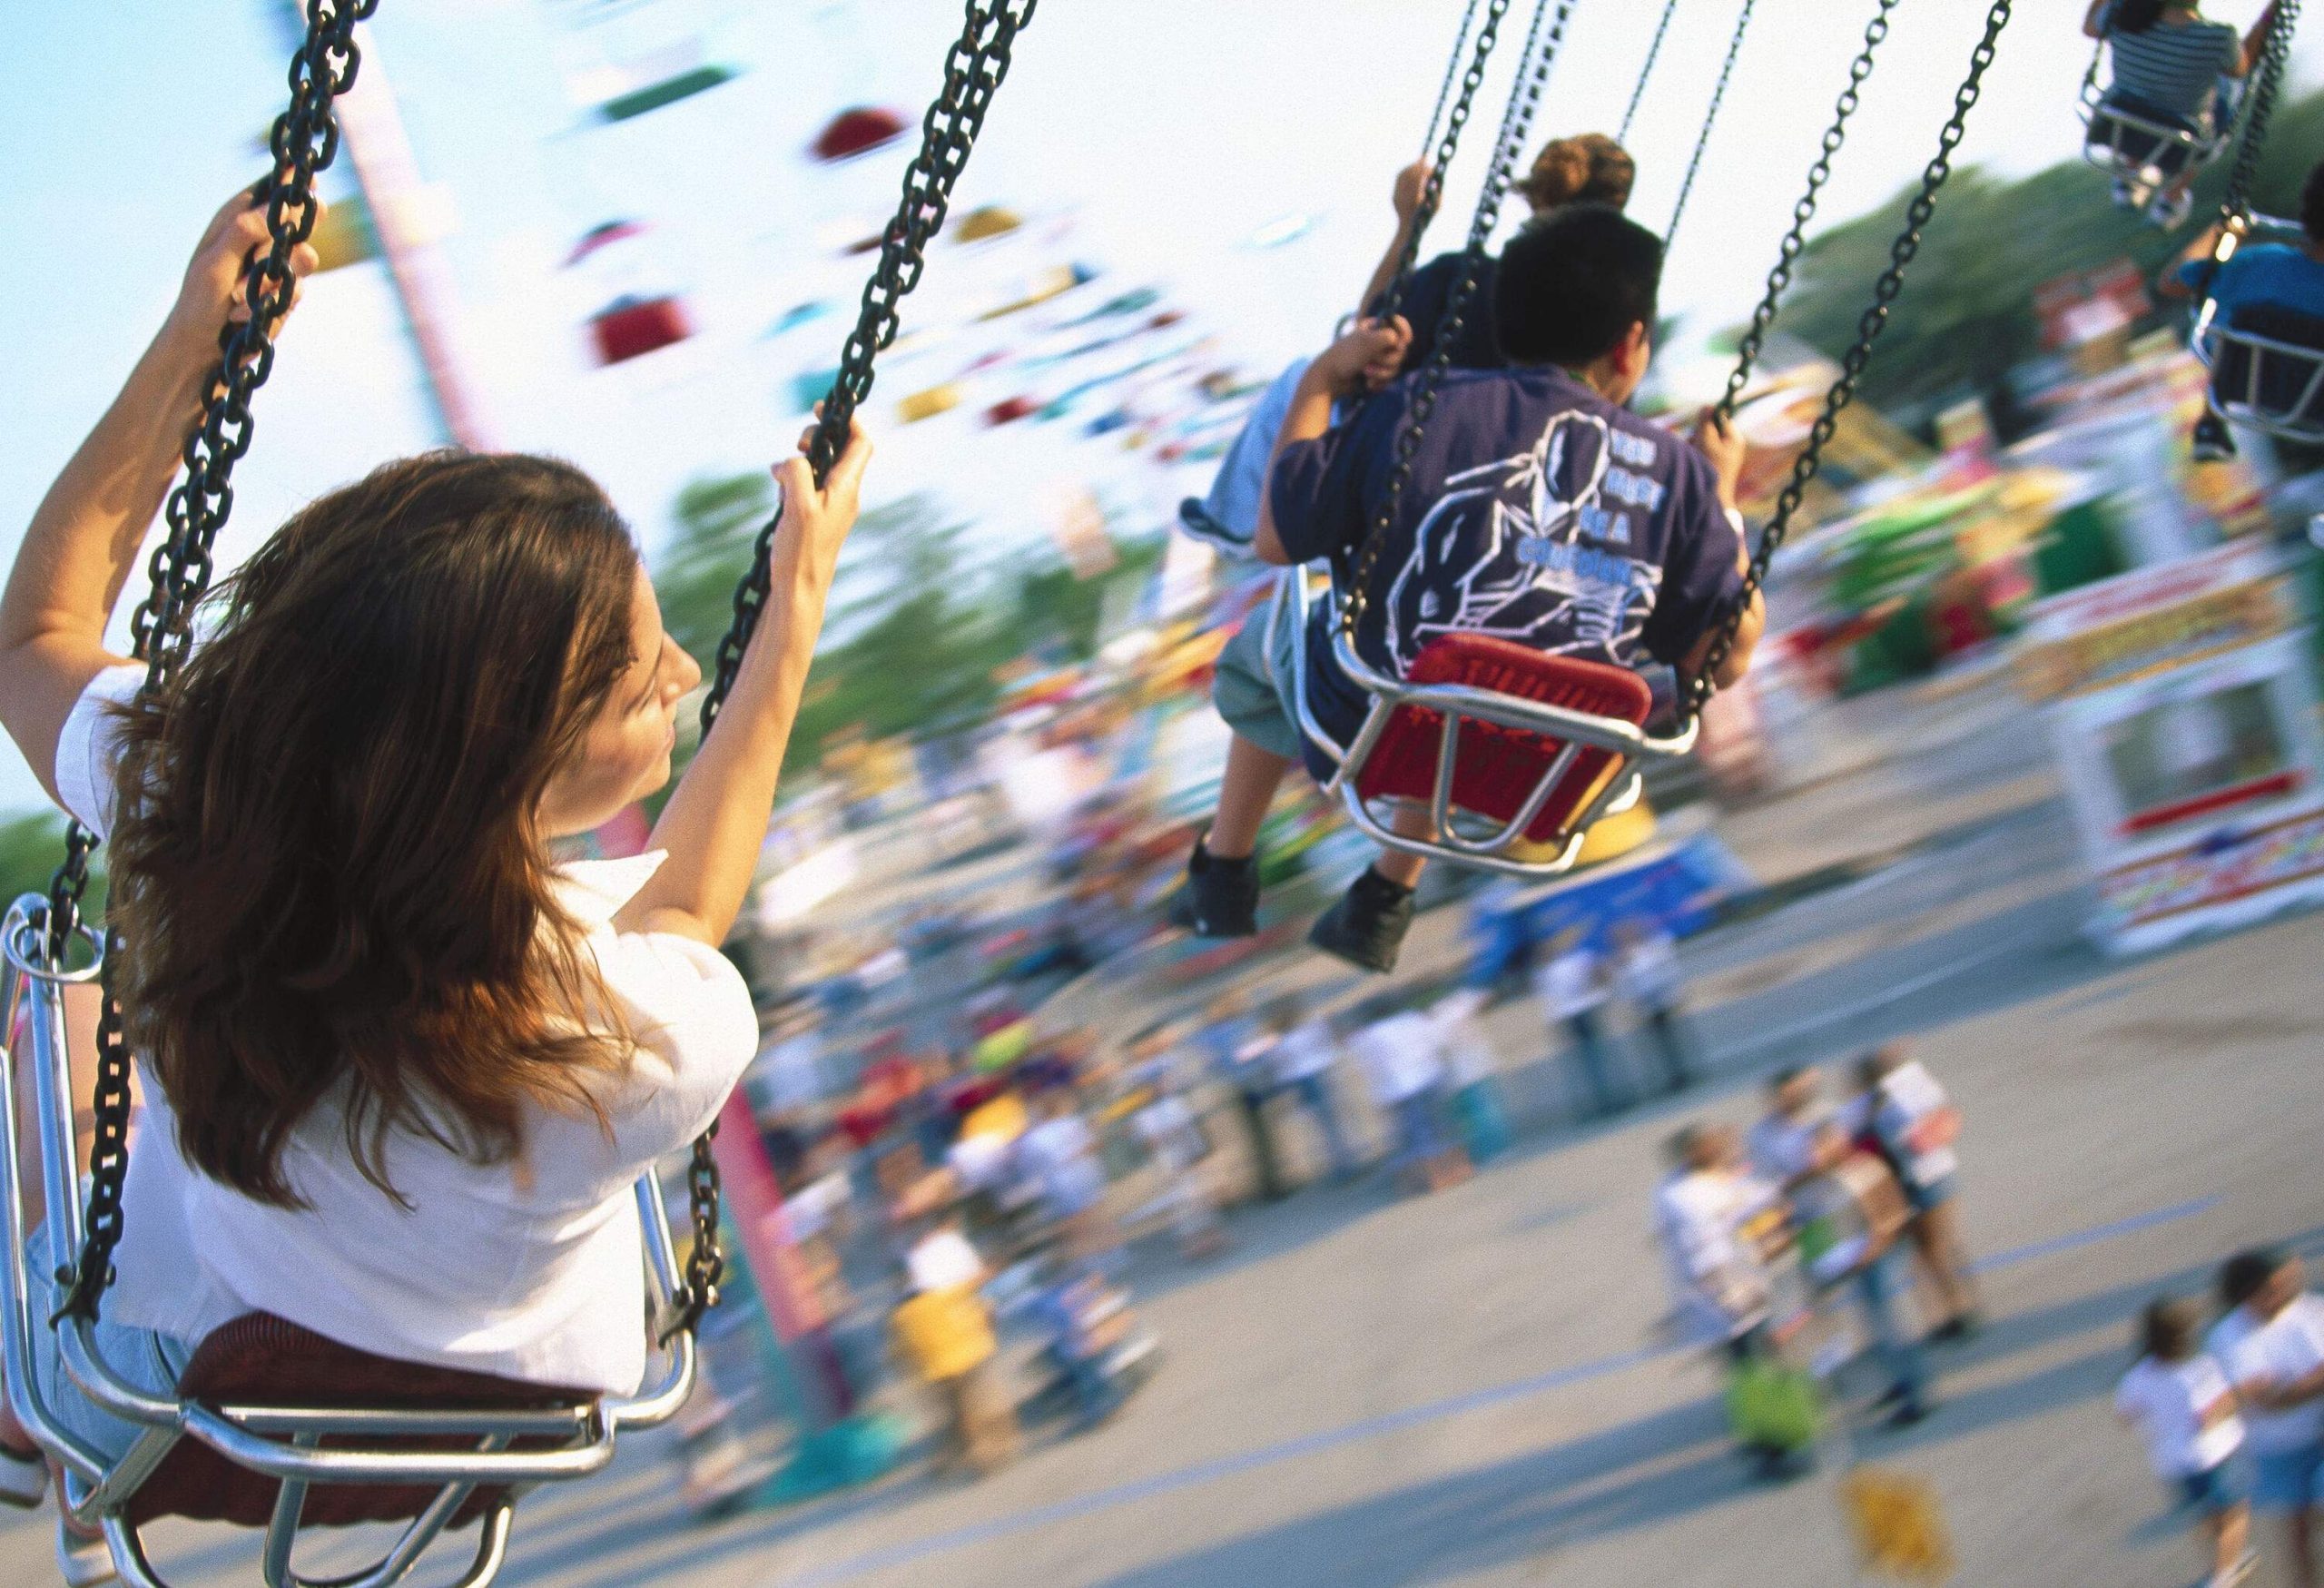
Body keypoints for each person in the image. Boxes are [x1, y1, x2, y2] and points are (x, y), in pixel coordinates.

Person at [0, 192, 870, 1580]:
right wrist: (795, 618)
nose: (689, 679)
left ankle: (19, 1398)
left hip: (205, 1380)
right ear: (506, 759)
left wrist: (188, 350)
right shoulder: (609, 1041)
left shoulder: (209, 800)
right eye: (648, 680)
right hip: (480, 1415)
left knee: (61, 1072)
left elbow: (39, 635)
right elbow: (690, 914)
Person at [1171, 204, 1762, 973]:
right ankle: (1383, 896)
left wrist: (1322, 376)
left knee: (1281, 648)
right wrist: (1722, 500)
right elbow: (1728, 660)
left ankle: (1225, 868)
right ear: (1631, 343)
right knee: (1471, 665)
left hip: (1377, 726)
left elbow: (1276, 538)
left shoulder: (1408, 419)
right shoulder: (1674, 472)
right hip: (1567, 761)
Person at [1177, 133, 1636, 558]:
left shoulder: (1462, 280)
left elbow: (1368, 328)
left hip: (1413, 482)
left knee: (1307, 374)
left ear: (1536, 199)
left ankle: (1231, 518)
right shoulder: (1610, 335)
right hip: (1528, 501)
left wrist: (1408, 228)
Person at [1652, 1125, 1799, 1479]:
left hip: (1743, 1289)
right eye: (1712, 1147)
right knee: (1751, 1373)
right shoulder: (1682, 1196)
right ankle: (1770, 1451)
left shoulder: (1702, 1183)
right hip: (1723, 1298)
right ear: (1693, 1154)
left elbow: (1761, 1198)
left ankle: (1774, 1438)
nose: (1721, 1150)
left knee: (1755, 1369)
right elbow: (1708, 1249)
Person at [2158, 159, 2324, 462]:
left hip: (2245, 388)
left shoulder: (2258, 263)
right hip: (2318, 406)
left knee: (2232, 319)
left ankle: (2211, 422)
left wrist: (2227, 234)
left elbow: (2170, 282)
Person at [2083, 0, 2279, 227]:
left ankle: (2131, 170)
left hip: (2116, 132)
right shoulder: (2218, 38)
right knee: (2228, 87)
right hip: (2179, 148)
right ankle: (2172, 196)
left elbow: (2090, 28)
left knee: (2139, 93)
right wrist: (2268, 16)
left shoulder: (2121, 12)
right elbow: (2241, 68)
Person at [1795, 1121, 1933, 1428]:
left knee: (1891, 1328)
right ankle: (1901, 1382)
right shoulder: (1830, 1176)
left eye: (1818, 1149)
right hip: (1857, 1259)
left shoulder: (1863, 1169)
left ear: (1836, 1143)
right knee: (1876, 1328)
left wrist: (1872, 1249)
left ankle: (1916, 1397)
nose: (1813, 1158)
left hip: (1877, 1258)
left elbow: (1893, 1210)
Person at [2118, 1296, 2255, 1588]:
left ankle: (2224, 1565)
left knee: (2205, 1516)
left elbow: (2127, 1418)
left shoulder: (2137, 1376)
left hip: (2173, 1462)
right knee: (2233, 1513)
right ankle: (2224, 1574)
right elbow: (2211, 1413)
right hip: (2218, 1453)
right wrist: (2234, 1399)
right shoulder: (2201, 1367)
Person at [1855, 1045, 1980, 1342]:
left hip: (1929, 1181)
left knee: (1935, 1251)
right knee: (1934, 1251)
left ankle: (1960, 1311)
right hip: (1925, 1181)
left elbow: (1915, 1139)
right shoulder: (1897, 1095)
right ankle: (1958, 1308)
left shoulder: (1894, 1099)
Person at [2217, 1250, 2324, 1588]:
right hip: (2279, 1448)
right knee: (2299, 1531)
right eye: (2274, 1289)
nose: (2287, 1293)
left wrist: (2294, 1387)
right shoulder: (2230, 1337)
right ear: (2249, 1297)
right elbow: (2269, 1402)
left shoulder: (2311, 1309)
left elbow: (2279, 1394)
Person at [891, 1221, 1019, 1477]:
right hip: (973, 1355)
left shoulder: (902, 1315)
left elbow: (903, 1351)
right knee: (988, 1399)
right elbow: (980, 1300)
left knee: (962, 1414)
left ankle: (979, 1454)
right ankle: (1004, 1444)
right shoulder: (949, 1294)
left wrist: (914, 1372)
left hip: (939, 1371)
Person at [1349, 998, 1465, 1193]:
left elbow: (1365, 1064)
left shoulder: (1366, 1036)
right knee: (1437, 1126)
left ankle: (1427, 1178)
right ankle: (1450, 1170)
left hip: (1396, 1089)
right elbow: (1435, 1039)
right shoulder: (1411, 1019)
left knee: (1412, 1136)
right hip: (1427, 1077)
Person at [1536, 927, 1627, 1121]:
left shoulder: (1562, 967)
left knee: (1593, 1058)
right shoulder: (1563, 966)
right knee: (1594, 1057)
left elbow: (1598, 977)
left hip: (1577, 1013)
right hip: (1578, 1013)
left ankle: (1608, 1098)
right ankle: (1608, 1098)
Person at [1268, 995, 1359, 1182]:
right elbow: (1330, 1039)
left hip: (1301, 1082)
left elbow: (1276, 1066)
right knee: (1334, 1122)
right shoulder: (1309, 1027)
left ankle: (1340, 1167)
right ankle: (1347, 1166)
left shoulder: (1279, 1040)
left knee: (1322, 1126)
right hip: (1319, 1074)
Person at [1612, 915, 1694, 1094]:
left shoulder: (1651, 949)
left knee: (1673, 1039)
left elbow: (1667, 969)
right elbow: (1623, 985)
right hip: (1645, 1006)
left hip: (1661, 999)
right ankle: (1667, 1077)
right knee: (1655, 1045)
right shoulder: (1621, 960)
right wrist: (1631, 1006)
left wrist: (1674, 993)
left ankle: (1682, 1073)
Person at [1431, 983, 1512, 1163]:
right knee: (1488, 1112)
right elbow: (1487, 995)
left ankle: (1487, 1151)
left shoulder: (1434, 1021)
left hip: (1460, 1076)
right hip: (1479, 1067)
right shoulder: (1460, 1002)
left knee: (1474, 1118)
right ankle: (1499, 1147)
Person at [1748, 1066, 1828, 1196]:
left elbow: (1826, 1158)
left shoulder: (1821, 1114)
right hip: (1793, 1200)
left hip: (1826, 1193)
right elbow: (1763, 1174)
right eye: (1786, 1092)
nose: (1792, 1095)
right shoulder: (1761, 1133)